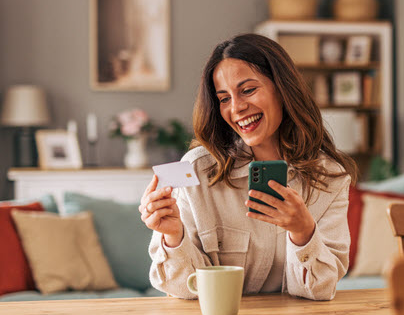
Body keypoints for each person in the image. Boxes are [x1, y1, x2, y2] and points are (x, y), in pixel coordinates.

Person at [139, 33, 357, 301]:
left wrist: (303, 233)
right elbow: (184, 290)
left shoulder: (332, 179)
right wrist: (174, 236)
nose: (237, 108)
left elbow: (319, 291)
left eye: (248, 90)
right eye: (224, 98)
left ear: (283, 88)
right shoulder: (197, 172)